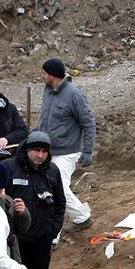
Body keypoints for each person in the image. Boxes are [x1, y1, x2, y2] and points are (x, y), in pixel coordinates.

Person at [3, 131, 66, 269]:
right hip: (17, 244)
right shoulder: (11, 168)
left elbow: (60, 204)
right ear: (27, 149)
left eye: (44, 151)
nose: (40, 155)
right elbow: (0, 203)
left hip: (41, 240)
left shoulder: (52, 171)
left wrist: (53, 231)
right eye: (36, 150)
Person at [37, 58, 95, 236]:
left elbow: (89, 122)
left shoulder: (74, 94)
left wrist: (87, 150)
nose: (42, 76)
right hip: (47, 150)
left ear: (53, 76)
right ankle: (82, 217)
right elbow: (44, 121)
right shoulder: (47, 92)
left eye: (44, 73)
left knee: (57, 189)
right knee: (49, 188)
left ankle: (53, 236)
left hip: (67, 152)